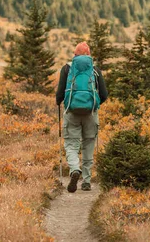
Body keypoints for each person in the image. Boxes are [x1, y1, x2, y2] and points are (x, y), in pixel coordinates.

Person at [56, 42, 108, 193]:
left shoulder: (67, 69)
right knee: (88, 144)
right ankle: (86, 181)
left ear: (75, 55)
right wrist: (95, 105)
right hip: (91, 113)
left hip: (71, 112)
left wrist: (59, 102)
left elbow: (60, 93)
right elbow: (104, 94)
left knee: (71, 144)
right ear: (89, 55)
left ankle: (74, 169)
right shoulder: (95, 70)